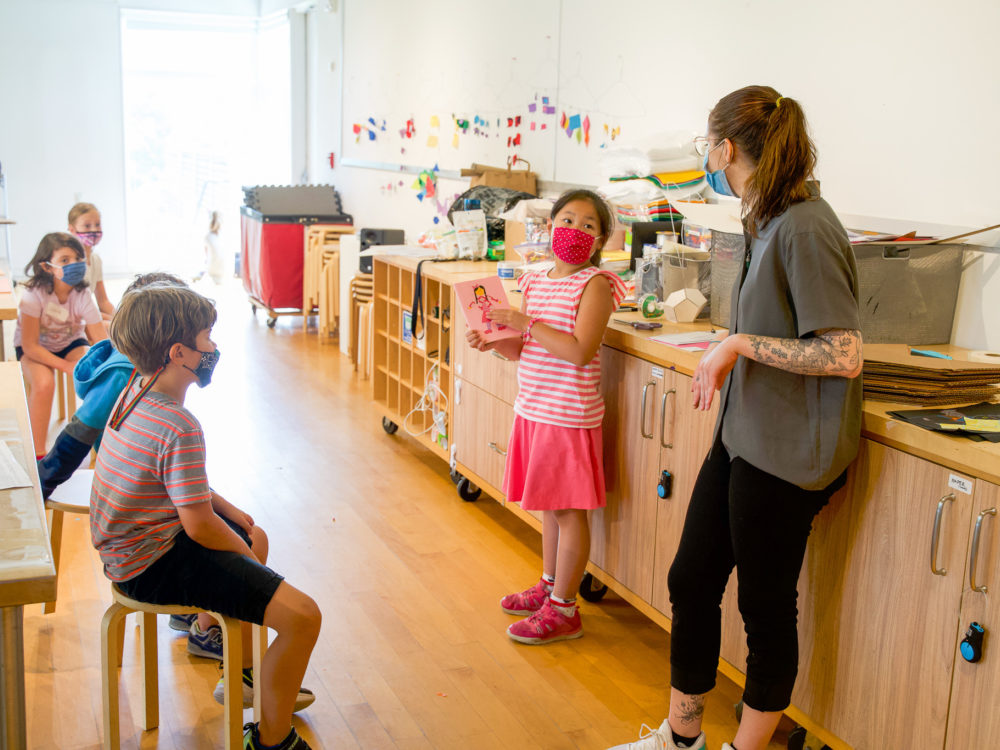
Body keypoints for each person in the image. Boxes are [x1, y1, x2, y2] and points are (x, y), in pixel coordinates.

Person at [609, 87, 863, 750]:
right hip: (743, 434)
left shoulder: (807, 226)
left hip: (787, 454)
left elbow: (842, 351)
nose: (707, 158)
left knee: (764, 610)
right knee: (691, 578)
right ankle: (682, 737)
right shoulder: (766, 215)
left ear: (725, 148)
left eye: (707, 147)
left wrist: (738, 345)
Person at [90, 283, 321, 750]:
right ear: (179, 352)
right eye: (207, 338)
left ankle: (244, 672)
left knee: (251, 535)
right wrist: (252, 564)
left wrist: (233, 514)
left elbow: (178, 488)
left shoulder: (134, 391)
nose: (213, 348)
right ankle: (273, 740)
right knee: (303, 616)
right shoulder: (180, 425)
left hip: (127, 554)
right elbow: (197, 526)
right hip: (152, 564)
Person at [466, 189, 626, 645]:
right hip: (534, 407)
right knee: (550, 511)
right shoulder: (534, 279)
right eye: (568, 219)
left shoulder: (595, 284)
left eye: (588, 225)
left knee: (568, 512)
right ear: (550, 226)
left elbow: (578, 351)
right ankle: (550, 584)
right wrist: (495, 341)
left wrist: (525, 323)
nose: (575, 229)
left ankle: (565, 608)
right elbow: (524, 349)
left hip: (569, 415)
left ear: (599, 242)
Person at [37, 273, 185, 500]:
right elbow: (80, 432)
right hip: (131, 484)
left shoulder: (164, 362)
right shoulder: (124, 370)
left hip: (156, 471)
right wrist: (41, 484)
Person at [14, 232, 108, 457]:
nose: (74, 264)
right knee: (44, 383)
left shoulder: (82, 293)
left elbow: (100, 338)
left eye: (77, 258)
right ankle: (38, 454)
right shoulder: (32, 294)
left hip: (71, 343)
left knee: (96, 374)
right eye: (65, 260)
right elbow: (29, 345)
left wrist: (108, 365)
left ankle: (100, 450)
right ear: (46, 266)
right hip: (35, 348)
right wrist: (65, 366)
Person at [67, 202, 114, 322]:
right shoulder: (69, 263)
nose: (94, 230)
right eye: (87, 226)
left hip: (87, 316)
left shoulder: (95, 260)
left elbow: (103, 301)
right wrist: (114, 321)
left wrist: (121, 317)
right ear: (72, 229)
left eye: (97, 225)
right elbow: (76, 310)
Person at [204, 210, 225, 285]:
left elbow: (206, 254)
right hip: (221, 268)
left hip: (213, 268)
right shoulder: (221, 237)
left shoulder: (208, 237)